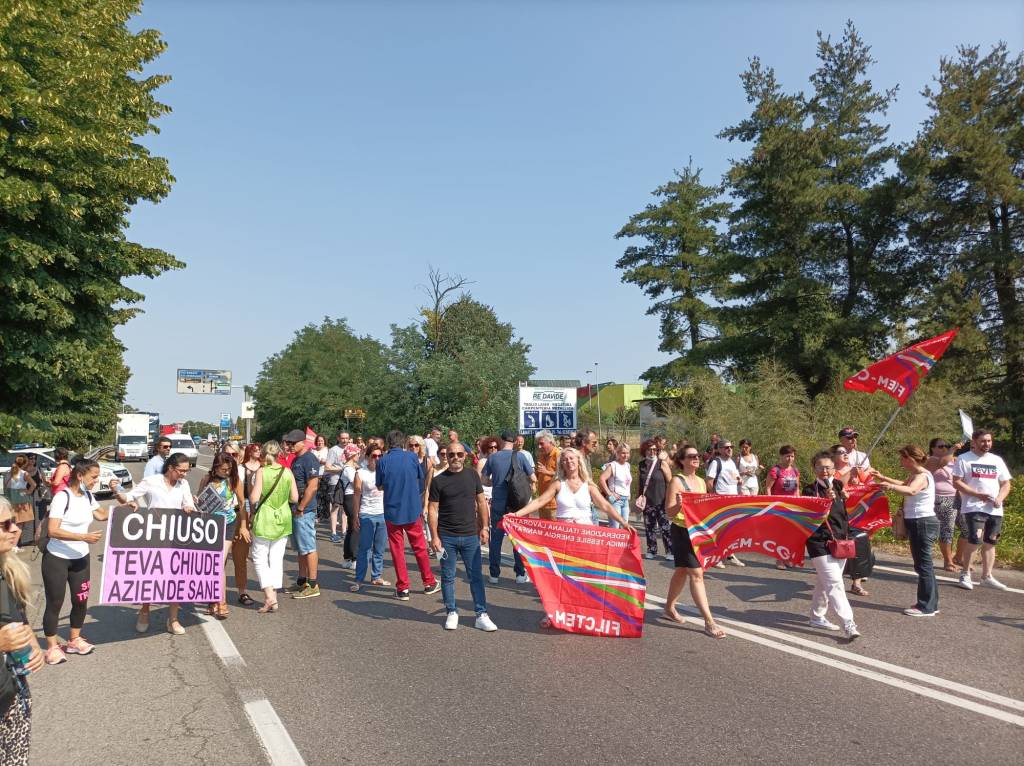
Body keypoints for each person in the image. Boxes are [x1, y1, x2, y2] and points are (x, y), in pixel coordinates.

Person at [511, 448, 630, 628]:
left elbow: (605, 505)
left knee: (585, 577)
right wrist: (516, 515)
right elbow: (539, 501)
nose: (569, 462)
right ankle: (552, 613)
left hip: (585, 537)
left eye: (572, 458)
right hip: (563, 537)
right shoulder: (558, 483)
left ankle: (585, 614)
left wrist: (623, 522)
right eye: (565, 459)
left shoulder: (589, 485)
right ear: (562, 464)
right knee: (559, 578)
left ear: (578, 461)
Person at [110, 453, 195, 635]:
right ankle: (144, 611)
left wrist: (189, 508)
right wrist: (117, 491)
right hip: (153, 537)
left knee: (176, 579)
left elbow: (189, 504)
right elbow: (129, 497)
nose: (184, 475)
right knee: (150, 577)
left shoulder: (184, 485)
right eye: (181, 471)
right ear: (171, 468)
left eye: (187, 471)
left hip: (176, 537)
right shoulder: (151, 481)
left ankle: (173, 619)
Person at [427, 441, 497, 631]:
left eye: (459, 454)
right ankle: (452, 611)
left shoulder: (472, 475)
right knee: (448, 577)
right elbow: (432, 510)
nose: (455, 458)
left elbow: (481, 503)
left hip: (470, 536)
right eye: (451, 455)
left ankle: (481, 614)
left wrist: (484, 527)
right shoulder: (438, 481)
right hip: (446, 538)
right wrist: (434, 537)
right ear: (445, 457)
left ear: (465, 456)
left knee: (475, 576)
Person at [40, 460, 103, 665]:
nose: (96, 480)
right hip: (57, 558)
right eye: (93, 476)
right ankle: (51, 647)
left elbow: (101, 514)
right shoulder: (62, 497)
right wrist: (83, 537)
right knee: (55, 603)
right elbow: (53, 530)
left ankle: (74, 640)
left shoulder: (88, 496)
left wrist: (126, 507)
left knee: (81, 600)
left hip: (81, 558)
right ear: (80, 475)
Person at [661, 446, 725, 639]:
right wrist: (680, 504)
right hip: (682, 531)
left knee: (682, 570)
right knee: (696, 573)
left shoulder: (700, 482)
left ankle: (669, 608)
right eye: (691, 456)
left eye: (698, 456)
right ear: (682, 460)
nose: (696, 458)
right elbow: (669, 513)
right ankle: (709, 621)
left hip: (697, 532)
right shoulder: (676, 481)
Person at [0, 496, 45, 765]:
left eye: (13, 522)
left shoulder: (9, 568)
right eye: (5, 525)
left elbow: (19, 620)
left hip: (11, 693)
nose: (16, 529)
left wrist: (34, 643)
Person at [873, 446, 939, 616]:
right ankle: (931, 603)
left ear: (910, 459)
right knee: (924, 565)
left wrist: (889, 487)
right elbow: (904, 484)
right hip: (918, 522)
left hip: (922, 522)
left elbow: (911, 490)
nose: (901, 462)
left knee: (923, 565)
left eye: (902, 458)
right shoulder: (917, 475)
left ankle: (925, 606)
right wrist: (883, 478)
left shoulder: (922, 476)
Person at [802, 451, 860, 639]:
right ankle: (848, 622)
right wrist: (825, 500)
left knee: (824, 582)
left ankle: (817, 616)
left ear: (834, 469)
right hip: (818, 542)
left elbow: (843, 513)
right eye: (821, 467)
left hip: (840, 540)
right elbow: (810, 515)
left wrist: (842, 496)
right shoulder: (809, 490)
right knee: (835, 583)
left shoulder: (838, 485)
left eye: (828, 467)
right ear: (814, 469)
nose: (824, 471)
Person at [376, 430, 438, 601]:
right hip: (411, 508)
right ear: (403, 443)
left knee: (397, 550)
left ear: (388, 444)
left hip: (392, 510)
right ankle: (428, 582)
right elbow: (420, 477)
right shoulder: (411, 457)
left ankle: (403, 587)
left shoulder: (383, 461)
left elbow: (379, 485)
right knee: (419, 547)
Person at [952, 429, 1012, 591]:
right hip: (973, 506)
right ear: (974, 442)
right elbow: (956, 482)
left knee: (991, 541)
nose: (987, 444)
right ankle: (965, 573)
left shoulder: (997, 460)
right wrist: (977, 494)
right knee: (975, 538)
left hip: (994, 508)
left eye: (989, 441)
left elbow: (1006, 484)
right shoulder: (964, 459)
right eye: (983, 441)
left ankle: (987, 576)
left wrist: (1000, 498)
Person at [248, 441, 298, 613]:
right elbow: (295, 498)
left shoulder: (262, 471)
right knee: (276, 559)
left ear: (263, 454)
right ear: (279, 454)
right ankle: (274, 598)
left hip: (265, 517)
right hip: (283, 517)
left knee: (260, 558)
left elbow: (254, 499)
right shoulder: (287, 471)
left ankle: (269, 596)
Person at [482, 430, 535, 584]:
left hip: (498, 503)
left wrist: (495, 483)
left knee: (496, 540)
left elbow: (484, 479)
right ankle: (519, 573)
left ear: (501, 440)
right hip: (517, 506)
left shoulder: (493, 458)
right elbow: (533, 478)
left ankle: (494, 574)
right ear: (515, 441)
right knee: (517, 540)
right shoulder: (521, 456)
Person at [197, 453, 246, 619]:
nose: (227, 472)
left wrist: (244, 525)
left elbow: (242, 503)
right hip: (209, 526)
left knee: (218, 562)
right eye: (224, 469)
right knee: (212, 564)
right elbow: (199, 500)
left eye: (229, 469)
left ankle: (221, 602)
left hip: (228, 524)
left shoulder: (234, 481)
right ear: (216, 467)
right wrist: (197, 501)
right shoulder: (206, 479)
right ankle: (212, 602)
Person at [282, 430, 321, 599]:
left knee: (308, 547)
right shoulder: (297, 458)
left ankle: (313, 584)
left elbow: (312, 486)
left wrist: (301, 507)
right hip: (296, 509)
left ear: (302, 442)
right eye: (288, 443)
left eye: (292, 443)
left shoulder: (309, 459)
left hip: (304, 510)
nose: (289, 446)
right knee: (300, 548)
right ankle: (301, 581)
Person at [350, 446, 391, 591]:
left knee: (379, 549)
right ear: (367, 457)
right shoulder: (360, 473)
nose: (377, 459)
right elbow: (356, 496)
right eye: (374, 456)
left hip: (383, 514)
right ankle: (359, 579)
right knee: (365, 549)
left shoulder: (386, 472)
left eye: (380, 456)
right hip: (367, 513)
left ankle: (376, 577)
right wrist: (355, 516)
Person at [926, 437, 963, 572]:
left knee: (966, 528)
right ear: (933, 448)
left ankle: (958, 557)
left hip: (957, 497)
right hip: (942, 498)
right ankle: (948, 561)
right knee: (947, 529)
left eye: (946, 446)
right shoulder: (930, 459)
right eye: (941, 446)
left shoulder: (953, 459)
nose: (945, 448)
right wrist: (952, 450)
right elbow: (941, 463)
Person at [705, 440, 744, 566]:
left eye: (731, 447)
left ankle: (729, 555)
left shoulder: (732, 462)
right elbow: (709, 481)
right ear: (720, 449)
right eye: (726, 447)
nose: (730, 449)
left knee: (730, 529)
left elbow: (735, 478)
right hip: (720, 501)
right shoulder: (716, 462)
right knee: (719, 529)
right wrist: (715, 497)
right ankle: (715, 557)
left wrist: (739, 482)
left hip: (732, 500)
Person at [234, 443, 262, 606]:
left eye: (233, 454)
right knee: (220, 559)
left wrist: (247, 520)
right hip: (236, 510)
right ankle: (214, 594)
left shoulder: (263, 468)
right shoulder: (239, 469)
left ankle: (242, 591)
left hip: (248, 507)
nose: (231, 457)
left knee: (241, 556)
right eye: (227, 454)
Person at [637, 439, 673, 560]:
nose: (652, 451)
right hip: (648, 501)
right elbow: (640, 483)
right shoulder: (641, 464)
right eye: (649, 449)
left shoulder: (661, 463)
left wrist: (670, 499)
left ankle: (670, 551)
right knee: (649, 527)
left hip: (662, 500)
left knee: (665, 527)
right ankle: (651, 550)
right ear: (645, 450)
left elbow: (670, 481)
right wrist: (639, 497)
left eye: (654, 449)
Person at [335, 443, 361, 568]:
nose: (359, 456)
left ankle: (347, 558)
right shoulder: (349, 469)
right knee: (356, 528)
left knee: (351, 528)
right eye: (357, 453)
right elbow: (357, 485)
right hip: (351, 498)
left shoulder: (349, 468)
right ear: (353, 455)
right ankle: (354, 558)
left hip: (349, 498)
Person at [324, 431, 352, 544]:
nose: (344, 440)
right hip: (335, 482)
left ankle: (344, 531)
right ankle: (333, 533)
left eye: (347, 438)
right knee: (335, 507)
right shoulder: (333, 450)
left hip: (347, 482)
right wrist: (341, 469)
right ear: (338, 438)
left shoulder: (351, 449)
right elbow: (327, 467)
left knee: (345, 509)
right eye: (342, 438)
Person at [599, 443, 633, 529]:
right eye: (623, 453)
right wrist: (609, 493)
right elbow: (601, 479)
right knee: (615, 527)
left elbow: (627, 482)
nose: (625, 455)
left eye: (627, 453)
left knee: (625, 527)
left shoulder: (628, 466)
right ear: (617, 453)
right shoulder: (612, 465)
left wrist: (629, 493)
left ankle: (623, 543)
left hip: (625, 500)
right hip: (615, 501)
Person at [5, 458, 34, 549]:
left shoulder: (8, 473)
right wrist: (28, 492)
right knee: (20, 524)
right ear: (24, 464)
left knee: (10, 523)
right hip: (22, 501)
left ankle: (8, 543)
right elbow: (34, 484)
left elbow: (5, 486)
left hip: (10, 500)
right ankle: (14, 545)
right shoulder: (24, 473)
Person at [533, 430, 560, 521]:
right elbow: (538, 473)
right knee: (544, 532)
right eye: (538, 444)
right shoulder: (542, 455)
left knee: (554, 532)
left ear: (551, 442)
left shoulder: (558, 454)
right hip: (542, 501)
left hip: (554, 504)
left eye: (541, 444)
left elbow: (563, 475)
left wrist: (547, 472)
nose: (539, 447)